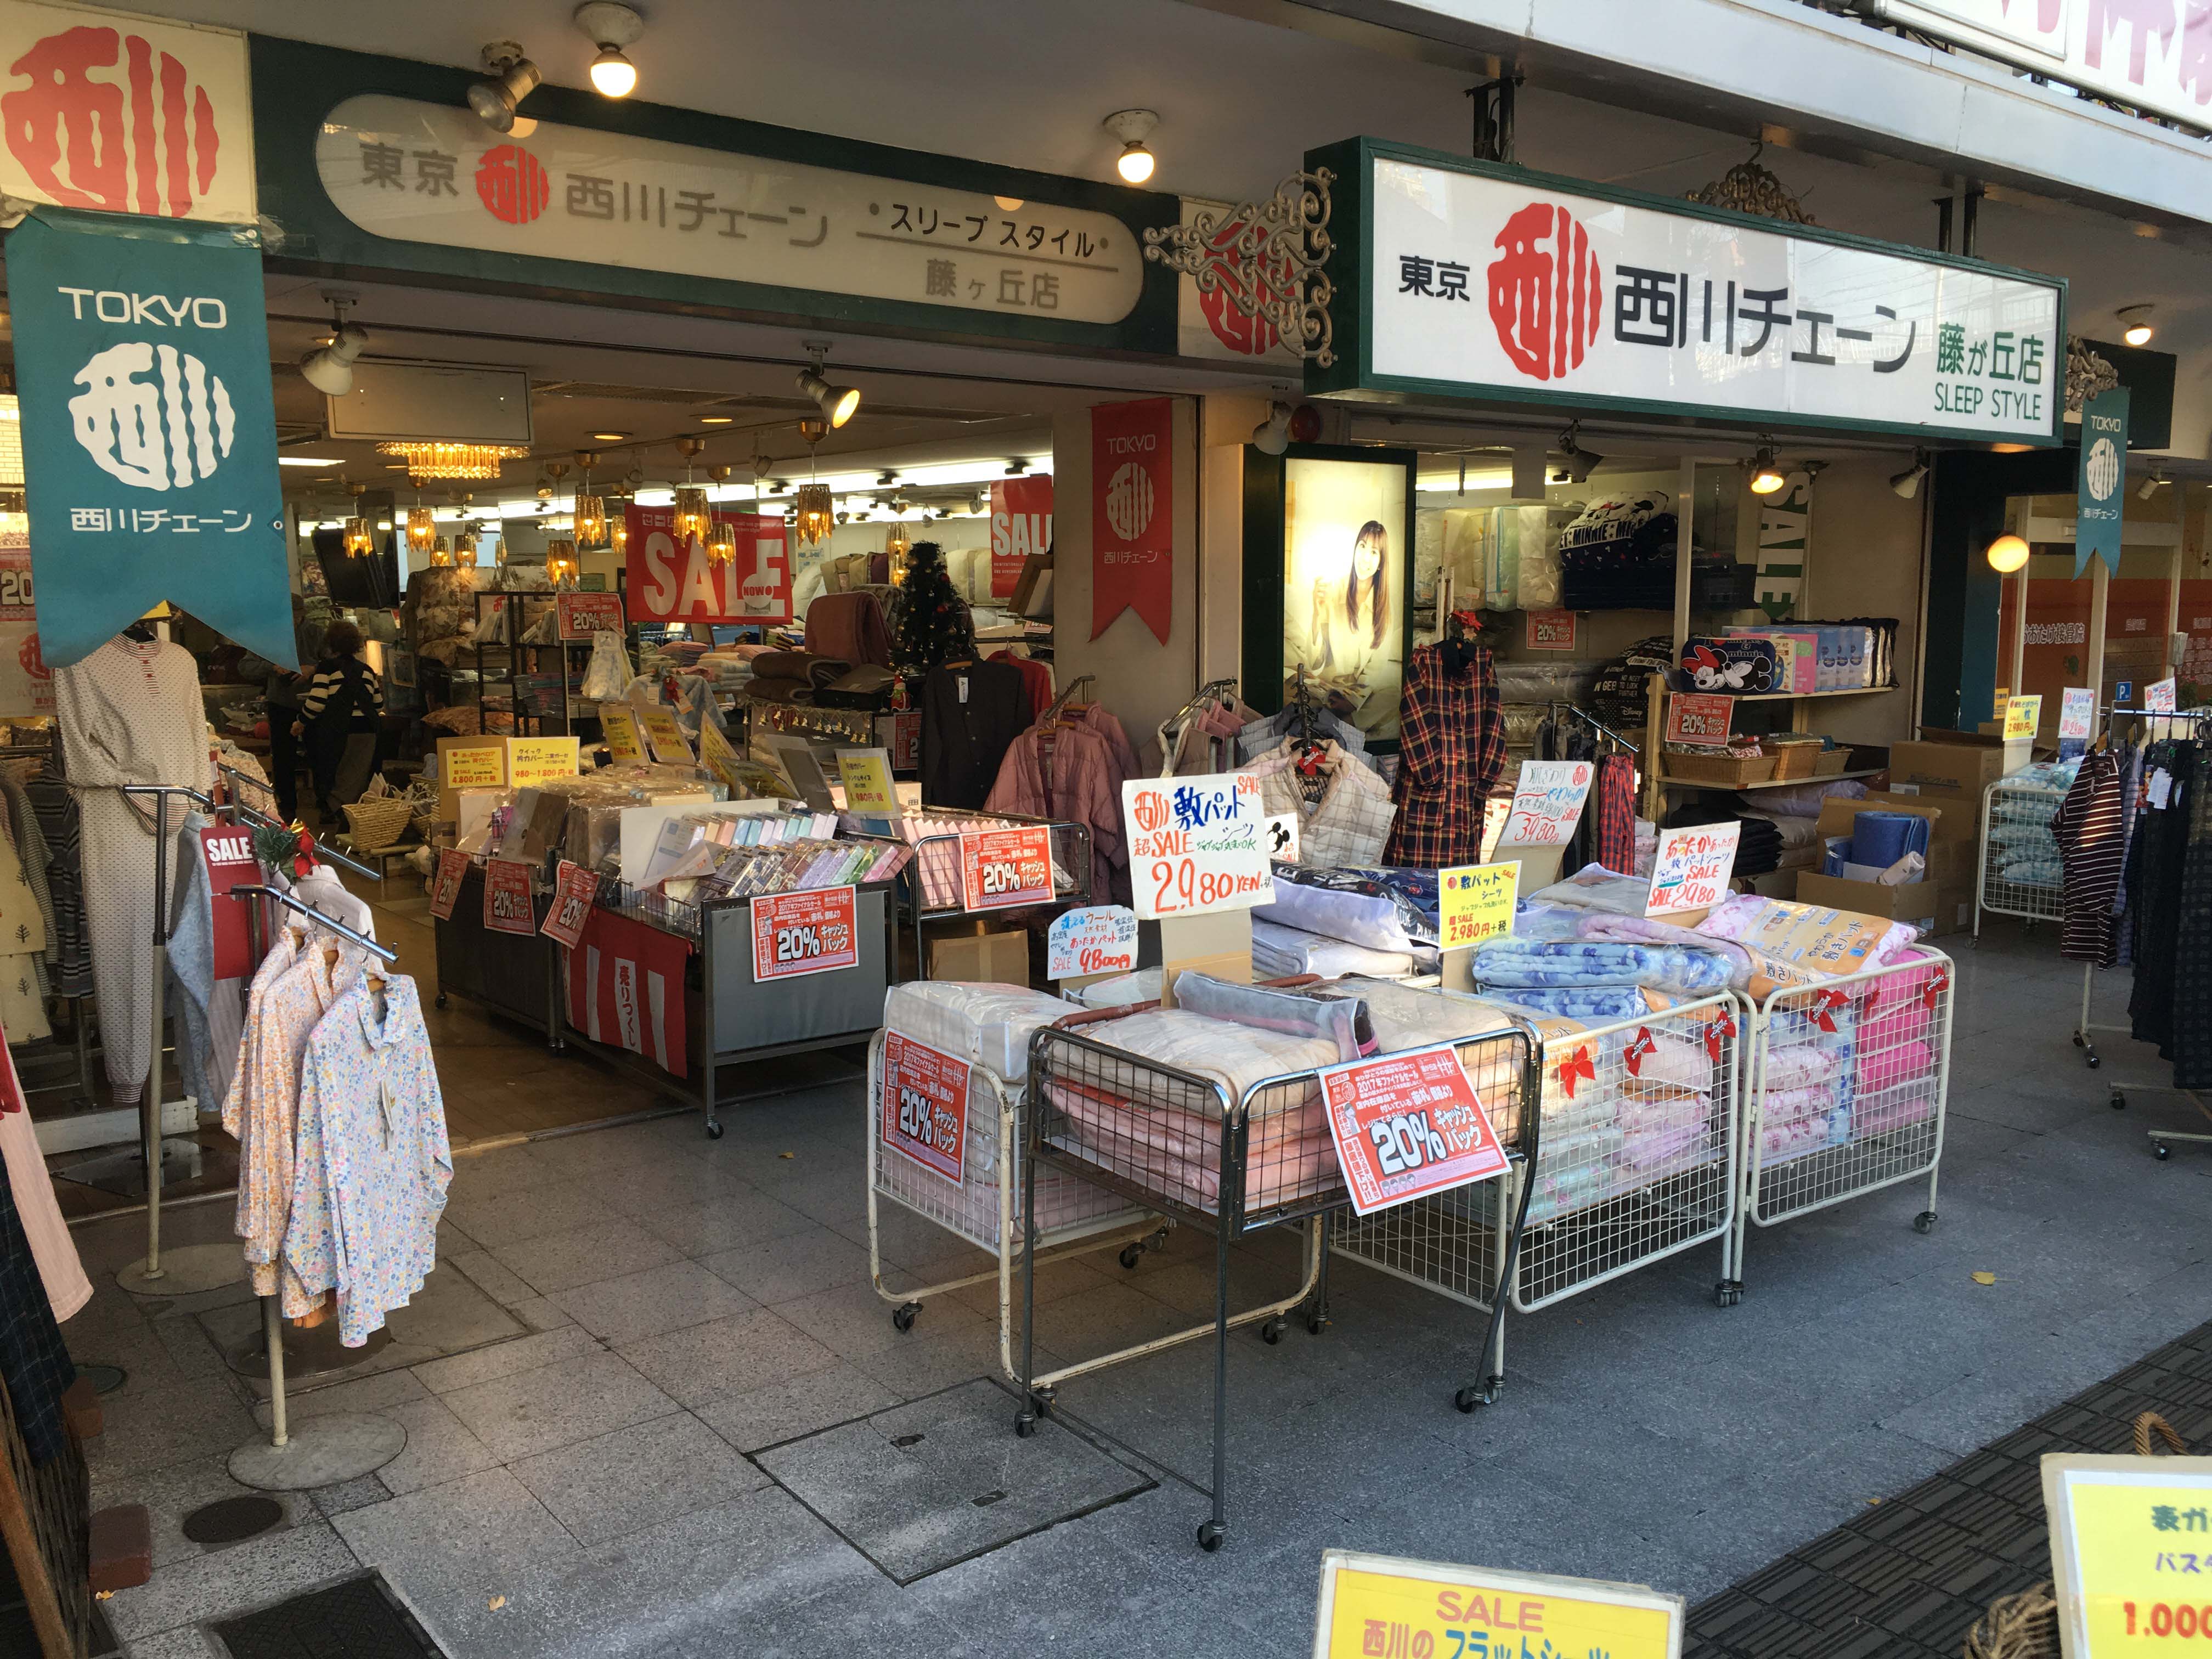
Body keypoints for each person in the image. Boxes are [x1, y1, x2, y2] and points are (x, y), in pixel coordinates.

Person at [1302, 519, 1394, 727]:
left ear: (1381, 563)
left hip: (1358, 694)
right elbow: (1315, 662)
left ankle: (1343, 721)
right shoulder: (1334, 590)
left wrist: (1352, 702)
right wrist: (1317, 612)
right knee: (1295, 686)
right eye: (1362, 547)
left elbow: (1376, 668)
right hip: (1328, 687)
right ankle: (1343, 720)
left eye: (1374, 552)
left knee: (1392, 694)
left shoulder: (1384, 608)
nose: (1365, 558)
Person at [295, 619, 383, 818]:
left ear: (330, 644)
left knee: (331, 770)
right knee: (356, 774)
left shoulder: (326, 669)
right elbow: (378, 705)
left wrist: (300, 721)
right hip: (367, 729)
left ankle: (334, 809)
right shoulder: (367, 671)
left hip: (336, 729)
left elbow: (316, 702)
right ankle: (353, 814)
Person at [264, 596, 320, 822]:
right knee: (282, 758)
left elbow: (335, 662)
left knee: (320, 755)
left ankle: (325, 804)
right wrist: (272, 666)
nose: (294, 620)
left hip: (316, 703)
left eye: (297, 615)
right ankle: (287, 807)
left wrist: (313, 669)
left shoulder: (317, 633)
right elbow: (246, 665)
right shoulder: (270, 635)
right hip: (281, 703)